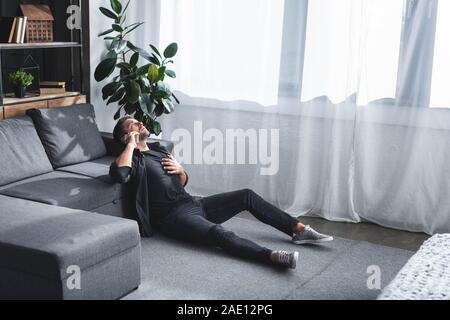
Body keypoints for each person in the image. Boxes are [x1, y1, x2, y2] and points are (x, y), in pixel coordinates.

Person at [109, 116, 334, 270]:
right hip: (174, 217)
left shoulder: (159, 149)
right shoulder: (133, 159)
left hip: (194, 203)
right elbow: (120, 175)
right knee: (220, 234)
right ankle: (272, 256)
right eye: (132, 124)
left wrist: (181, 171)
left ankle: (298, 229)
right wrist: (130, 145)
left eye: (137, 120)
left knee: (246, 195)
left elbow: (181, 183)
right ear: (124, 137)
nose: (139, 123)